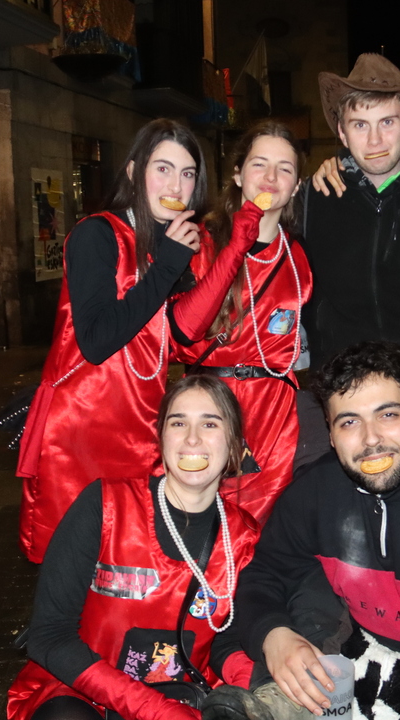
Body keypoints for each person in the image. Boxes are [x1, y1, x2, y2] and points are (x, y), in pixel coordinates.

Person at [200, 341, 400, 720]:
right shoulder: (313, 492)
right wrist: (274, 636)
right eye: (349, 422)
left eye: (387, 414)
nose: (371, 439)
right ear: (330, 433)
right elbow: (264, 575)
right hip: (359, 642)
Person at [17, 119, 261, 564]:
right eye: (162, 169)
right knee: (78, 559)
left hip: (141, 423)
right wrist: (168, 266)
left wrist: (222, 256)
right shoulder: (97, 233)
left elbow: (184, 335)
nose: (175, 186)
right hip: (83, 428)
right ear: (133, 172)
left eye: (187, 174)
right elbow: (96, 340)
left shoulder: (164, 244)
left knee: (130, 556)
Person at [7, 375, 261, 720]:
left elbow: (225, 641)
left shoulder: (242, 537)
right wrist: (156, 711)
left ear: (234, 445)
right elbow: (49, 636)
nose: (192, 438)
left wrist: (258, 689)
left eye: (210, 423)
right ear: (161, 438)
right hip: (82, 693)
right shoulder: (105, 505)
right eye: (178, 422)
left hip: (183, 697)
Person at [292, 54, 400, 471]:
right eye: (359, 125)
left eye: (387, 122)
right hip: (333, 387)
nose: (374, 140)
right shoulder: (311, 198)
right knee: (312, 493)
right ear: (341, 131)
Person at [171, 121, 314, 525]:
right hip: (210, 405)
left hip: (276, 417)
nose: (271, 177)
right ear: (237, 174)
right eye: (259, 164)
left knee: (266, 528)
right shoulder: (200, 241)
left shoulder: (299, 256)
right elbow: (179, 339)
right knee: (202, 522)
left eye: (284, 168)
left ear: (296, 185)